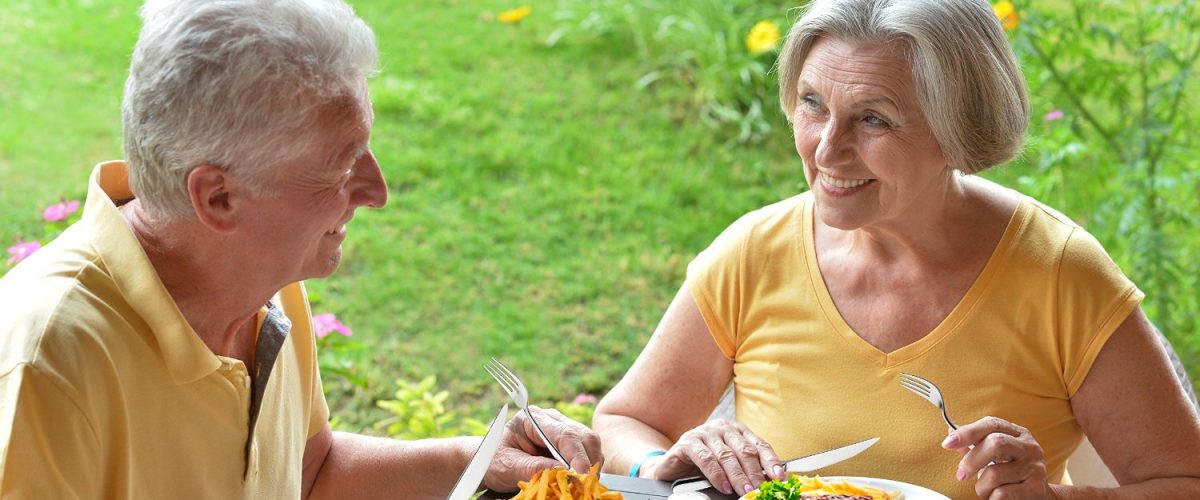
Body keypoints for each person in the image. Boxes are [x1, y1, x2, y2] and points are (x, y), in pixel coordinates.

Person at [593, 0, 1200, 498]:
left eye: (873, 120)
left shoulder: (1060, 273)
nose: (826, 151)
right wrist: (656, 465)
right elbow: (624, 419)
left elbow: (1183, 482)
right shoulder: (755, 253)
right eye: (813, 105)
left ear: (959, 128)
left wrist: (1053, 499)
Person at [0, 0, 600, 498]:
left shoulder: (262, 274)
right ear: (219, 198)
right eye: (341, 166)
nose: (378, 191)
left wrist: (474, 457)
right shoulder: (48, 366)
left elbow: (308, 475)